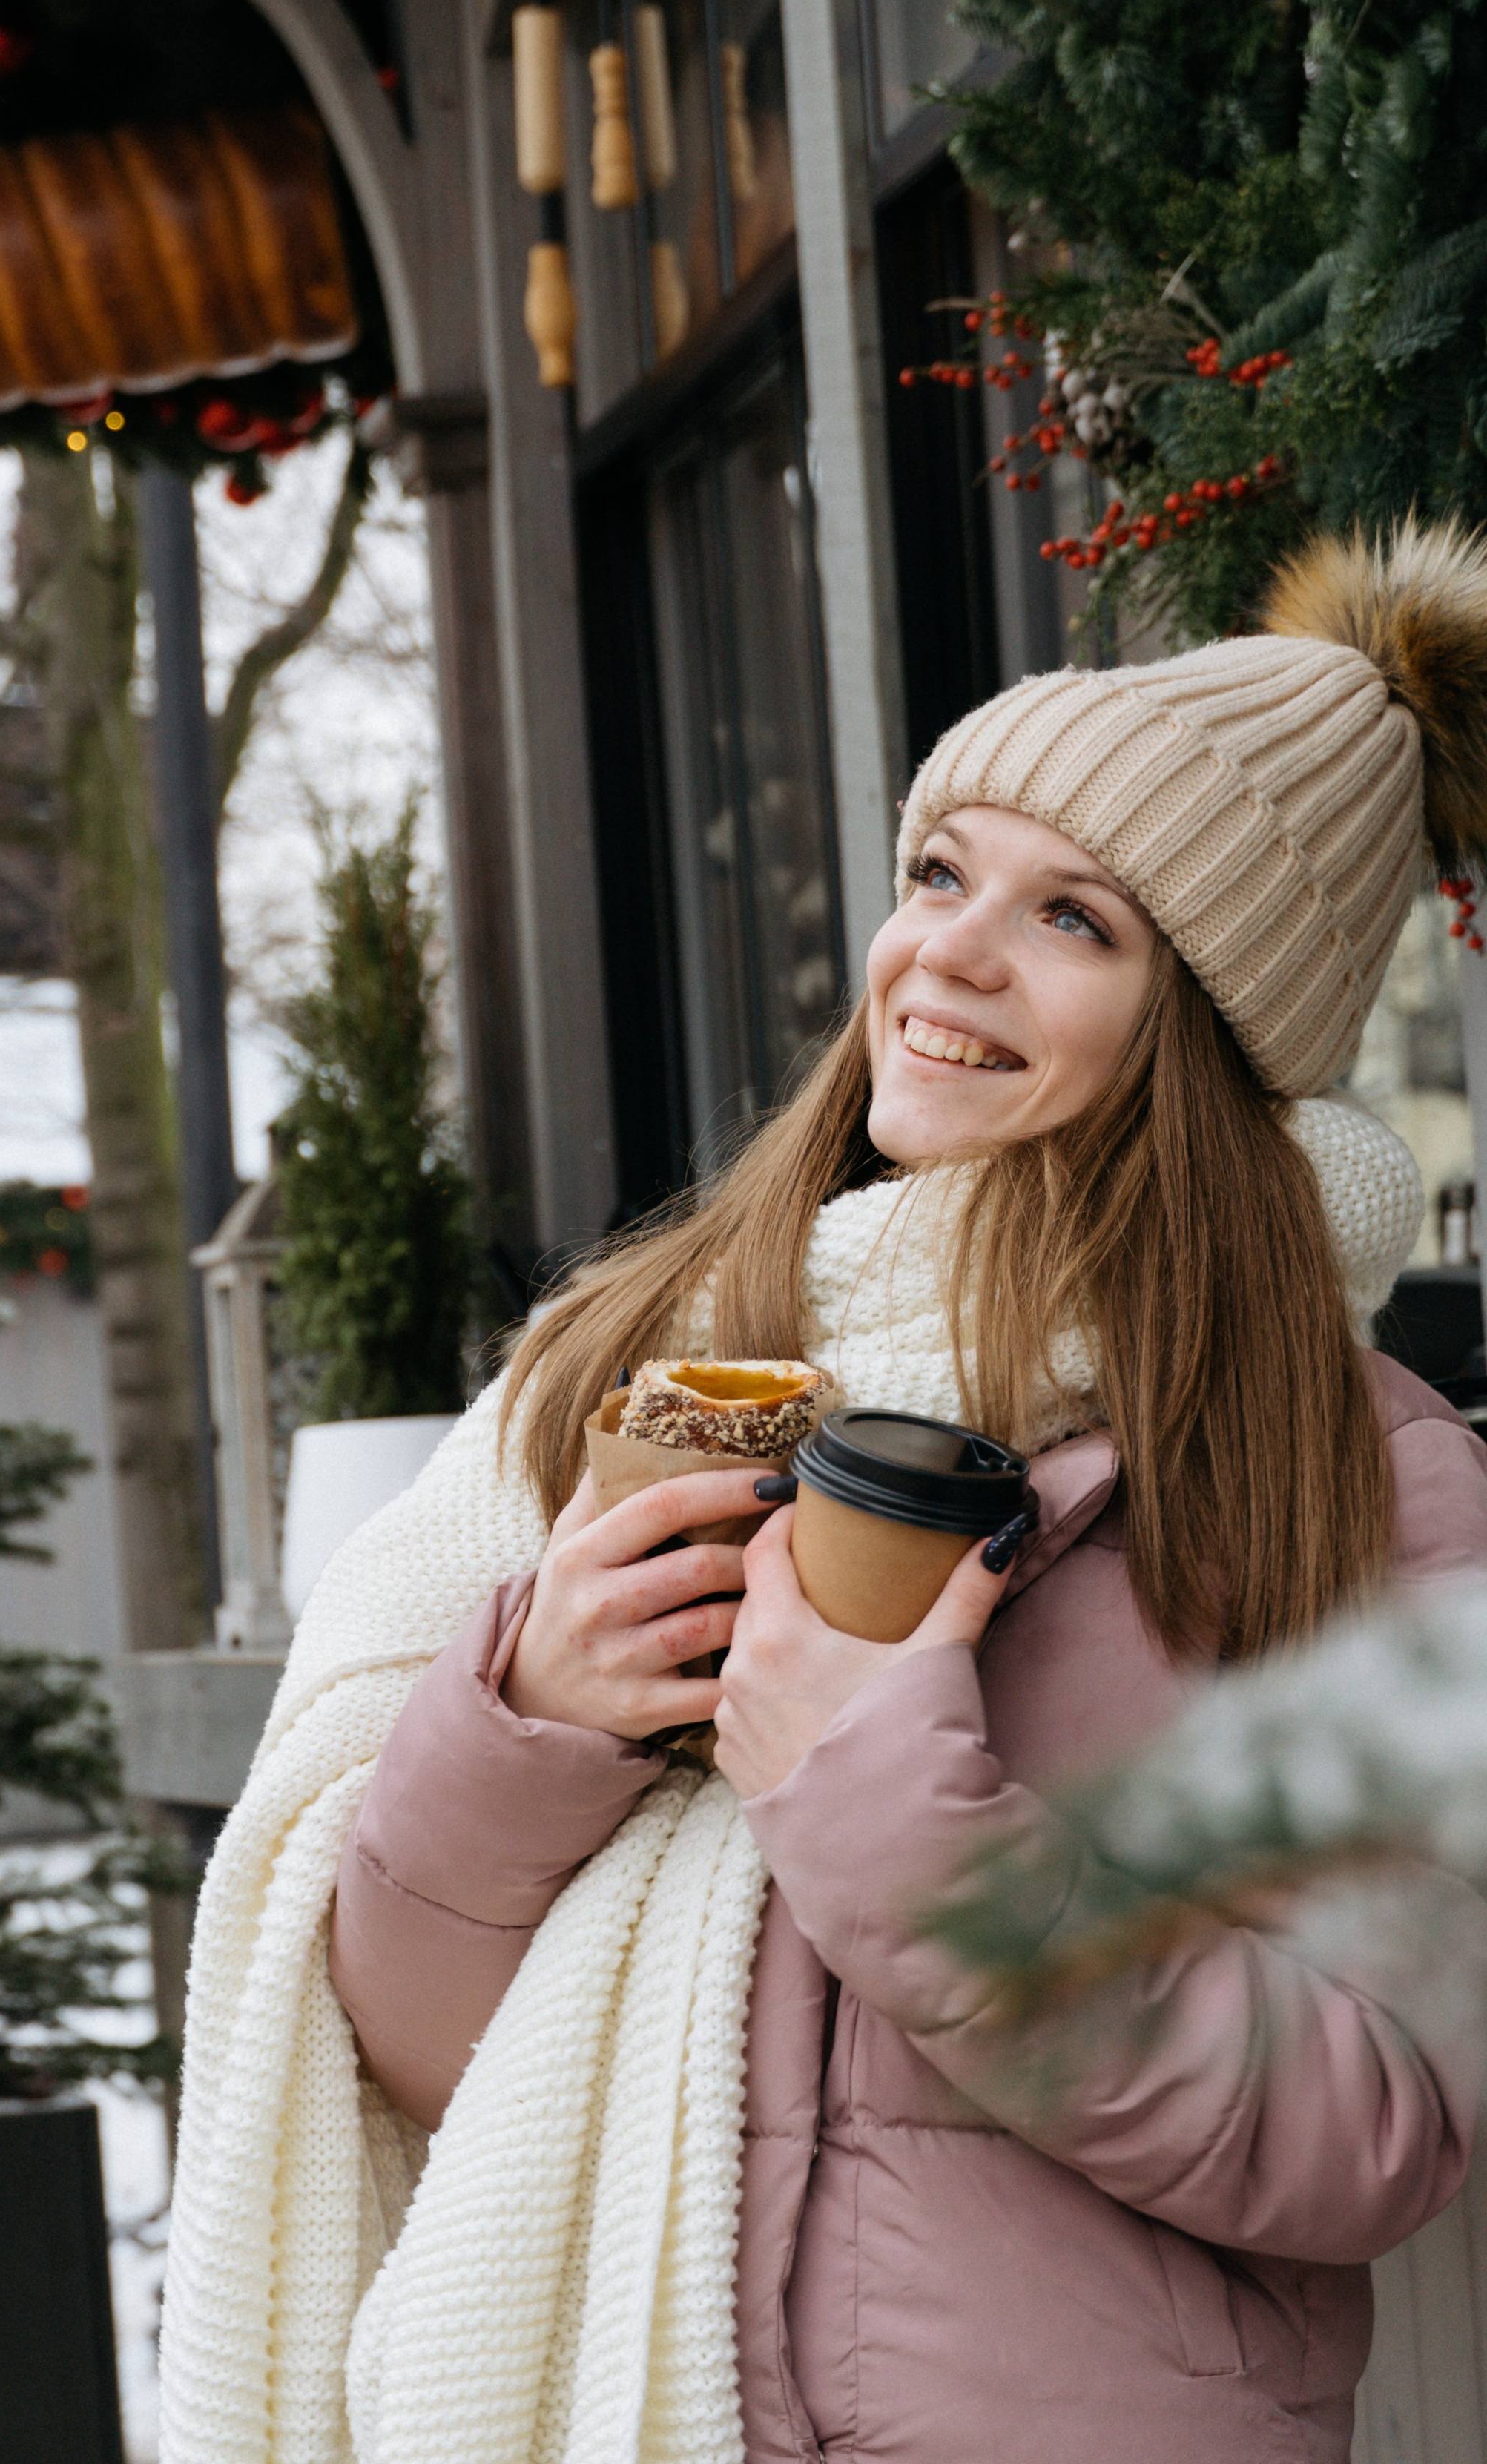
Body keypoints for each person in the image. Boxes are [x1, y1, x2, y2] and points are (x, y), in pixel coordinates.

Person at [159, 519, 1487, 2464]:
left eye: (1074, 919)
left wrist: (885, 1805)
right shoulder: (658, 1353)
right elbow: (413, 2067)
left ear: (1205, 1030)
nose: (944, 950)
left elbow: (1381, 2132)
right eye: (941, 872)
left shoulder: (1358, 1481)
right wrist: (527, 1728)